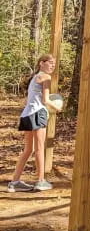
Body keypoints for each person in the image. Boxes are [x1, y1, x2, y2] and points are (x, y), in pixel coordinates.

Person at [7, 54, 62, 192]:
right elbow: (45, 100)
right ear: (41, 63)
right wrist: (57, 107)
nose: (52, 66)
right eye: (50, 63)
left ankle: (14, 182)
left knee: (29, 150)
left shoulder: (34, 77)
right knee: (38, 149)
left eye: (54, 64)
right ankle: (41, 181)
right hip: (38, 113)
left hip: (27, 114)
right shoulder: (46, 77)